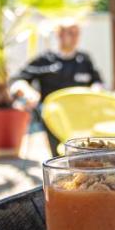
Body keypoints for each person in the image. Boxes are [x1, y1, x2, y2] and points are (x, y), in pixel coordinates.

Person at [9, 20, 104, 154]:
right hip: (54, 118)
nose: (74, 37)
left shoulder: (85, 59)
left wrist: (96, 89)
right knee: (61, 155)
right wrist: (26, 91)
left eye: (77, 33)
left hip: (83, 116)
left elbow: (97, 81)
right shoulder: (45, 60)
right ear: (59, 34)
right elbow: (17, 79)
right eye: (70, 33)